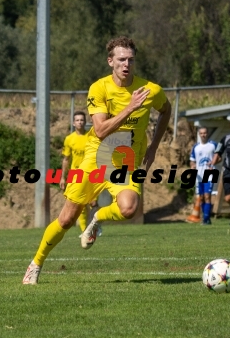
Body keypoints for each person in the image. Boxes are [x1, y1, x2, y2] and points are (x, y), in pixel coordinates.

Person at [23, 36, 172, 284]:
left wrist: (154, 146)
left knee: (129, 208)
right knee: (67, 219)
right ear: (110, 61)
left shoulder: (151, 90)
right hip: (97, 157)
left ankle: (97, 218)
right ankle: (36, 263)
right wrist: (130, 108)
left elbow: (166, 110)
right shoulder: (99, 88)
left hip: (127, 162)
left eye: (131, 60)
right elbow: (101, 130)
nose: (127, 64)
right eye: (121, 59)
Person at [59, 111, 99, 236]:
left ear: (85, 122)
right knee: (79, 203)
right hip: (76, 174)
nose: (80, 122)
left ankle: (94, 226)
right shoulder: (69, 139)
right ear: (73, 123)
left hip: (91, 172)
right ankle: (84, 231)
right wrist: (62, 177)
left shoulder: (91, 137)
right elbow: (66, 159)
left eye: (82, 120)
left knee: (93, 202)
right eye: (77, 120)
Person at [187, 127, 217, 225]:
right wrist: (192, 166)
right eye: (201, 133)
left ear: (207, 133)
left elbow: (219, 157)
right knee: (201, 197)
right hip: (199, 176)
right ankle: (206, 218)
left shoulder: (213, 145)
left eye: (205, 133)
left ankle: (206, 218)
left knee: (207, 196)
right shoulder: (196, 147)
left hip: (210, 175)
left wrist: (213, 163)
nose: (203, 135)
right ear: (199, 134)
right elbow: (192, 160)